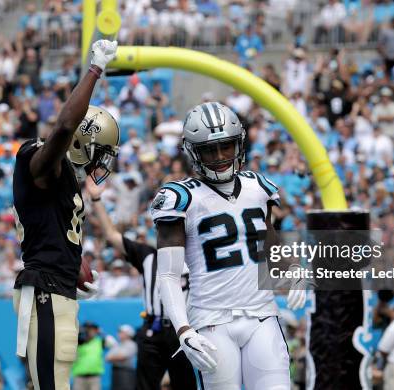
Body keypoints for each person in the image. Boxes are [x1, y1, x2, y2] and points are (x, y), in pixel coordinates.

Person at [150, 102, 306, 389]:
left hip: (261, 315)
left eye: (226, 146)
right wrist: (183, 330)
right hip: (211, 322)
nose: (220, 156)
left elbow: (270, 248)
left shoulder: (258, 187)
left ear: (240, 144)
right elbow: (169, 274)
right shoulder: (179, 197)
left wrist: (293, 268)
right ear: (193, 151)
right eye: (209, 149)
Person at [11, 39, 119, 390]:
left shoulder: (67, 180)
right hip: (45, 290)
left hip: (58, 289)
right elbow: (61, 129)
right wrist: (95, 69)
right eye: (101, 151)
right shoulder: (39, 160)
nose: (103, 161)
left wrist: (74, 268)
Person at [85, 179, 196, 390]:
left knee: (186, 384)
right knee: (144, 385)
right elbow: (111, 235)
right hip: (152, 328)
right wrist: (97, 198)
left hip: (183, 329)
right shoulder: (148, 255)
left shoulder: (193, 256)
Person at [72, 322, 106, 390]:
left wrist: (102, 333)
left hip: (95, 377)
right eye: (89, 329)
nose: (91, 332)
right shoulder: (77, 342)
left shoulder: (99, 342)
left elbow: (113, 343)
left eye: (94, 330)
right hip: (79, 377)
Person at [106, 325, 138, 390]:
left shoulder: (131, 344)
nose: (119, 334)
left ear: (128, 334)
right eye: (119, 332)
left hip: (126, 373)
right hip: (116, 372)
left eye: (122, 332)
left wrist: (114, 357)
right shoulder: (117, 345)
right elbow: (107, 358)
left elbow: (122, 357)